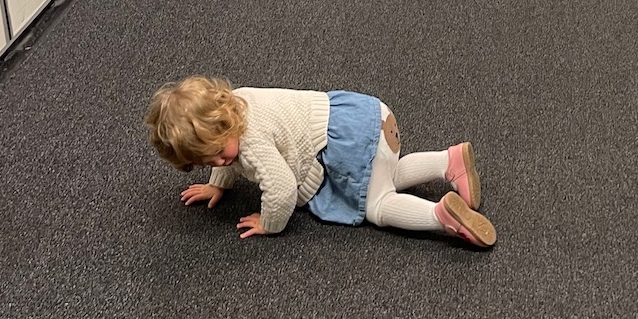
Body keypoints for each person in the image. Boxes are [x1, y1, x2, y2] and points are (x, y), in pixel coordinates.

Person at [145, 77, 495, 247]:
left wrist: (270, 223)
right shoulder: (234, 105)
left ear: (223, 122)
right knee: (386, 172)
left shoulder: (250, 145)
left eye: (220, 152)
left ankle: (440, 218)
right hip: (368, 115)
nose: (222, 159)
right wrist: (217, 182)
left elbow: (281, 188)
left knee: (379, 204)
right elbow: (225, 152)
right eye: (210, 160)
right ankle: (448, 162)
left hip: (349, 140)